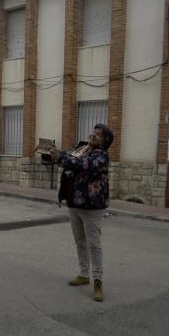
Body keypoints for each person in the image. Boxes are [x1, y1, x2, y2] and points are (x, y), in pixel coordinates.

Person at [47, 123, 113, 303]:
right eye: (94, 132)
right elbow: (69, 157)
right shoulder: (82, 149)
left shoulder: (101, 156)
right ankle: (84, 274)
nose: (94, 135)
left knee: (94, 245)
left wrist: (61, 156)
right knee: (80, 241)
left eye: (99, 134)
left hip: (92, 206)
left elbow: (81, 164)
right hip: (74, 203)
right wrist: (54, 153)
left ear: (105, 140)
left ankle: (98, 281)